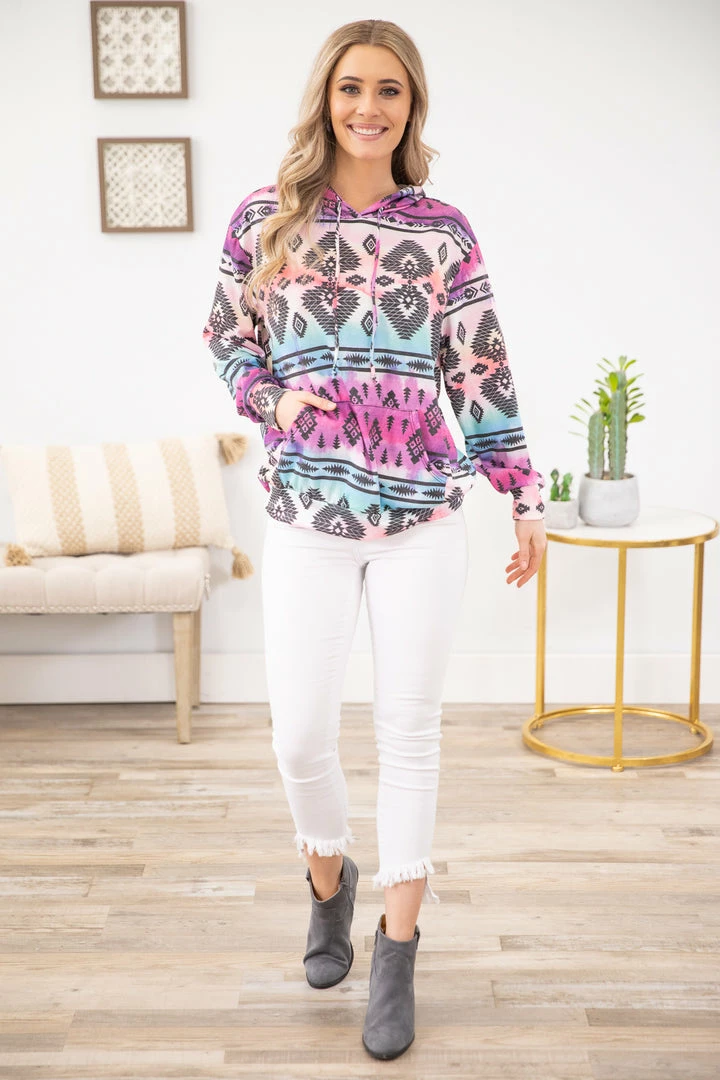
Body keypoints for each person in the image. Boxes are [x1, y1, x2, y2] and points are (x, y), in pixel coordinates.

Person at [203, 17, 547, 1062]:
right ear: (326, 97)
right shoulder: (266, 217)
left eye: (389, 90)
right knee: (300, 738)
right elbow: (226, 336)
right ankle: (329, 881)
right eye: (352, 87)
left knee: (409, 731)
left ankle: (396, 951)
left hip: (420, 517)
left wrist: (522, 494)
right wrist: (273, 398)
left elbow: (479, 367)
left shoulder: (443, 231)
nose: (368, 107)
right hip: (306, 511)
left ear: (411, 105)